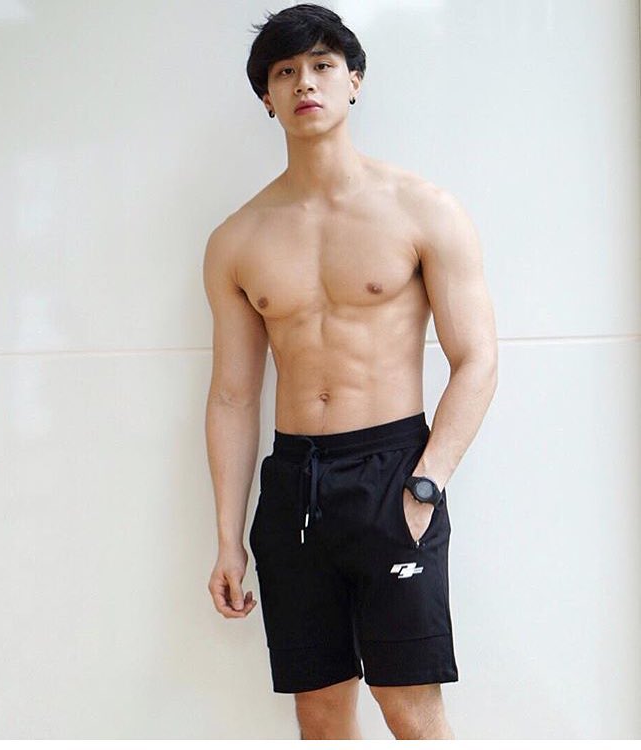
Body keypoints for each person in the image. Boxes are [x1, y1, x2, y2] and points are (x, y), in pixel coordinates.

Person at [203, 3, 497, 741]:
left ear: (354, 80)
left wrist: (426, 485)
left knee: (411, 709)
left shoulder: (424, 210)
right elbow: (234, 397)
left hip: (394, 471)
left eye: (322, 65)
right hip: (293, 482)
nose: (305, 82)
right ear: (267, 97)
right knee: (322, 715)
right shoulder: (236, 238)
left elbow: (477, 359)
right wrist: (229, 538)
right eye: (285, 71)